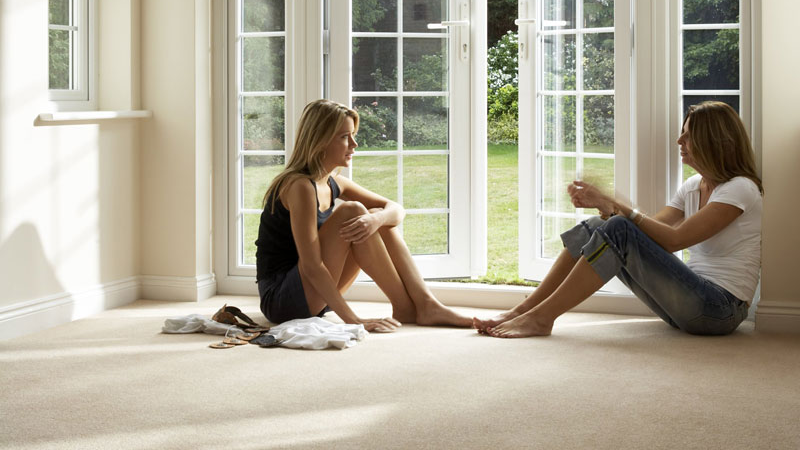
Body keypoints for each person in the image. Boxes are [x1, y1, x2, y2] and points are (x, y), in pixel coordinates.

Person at [475, 101, 762, 338]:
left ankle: (542, 318)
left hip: (719, 309)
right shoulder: (693, 185)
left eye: (688, 135)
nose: (679, 140)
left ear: (713, 141)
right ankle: (523, 311)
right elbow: (650, 232)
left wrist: (615, 206)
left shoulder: (740, 188)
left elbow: (675, 240)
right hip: (688, 304)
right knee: (601, 226)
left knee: (617, 226)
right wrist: (610, 208)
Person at [256, 99, 473, 332]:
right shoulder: (299, 186)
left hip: (315, 294)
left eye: (352, 135)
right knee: (354, 211)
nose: (354, 144)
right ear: (319, 140)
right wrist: (354, 320)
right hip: (282, 300)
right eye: (344, 137)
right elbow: (311, 266)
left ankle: (423, 304)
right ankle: (412, 306)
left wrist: (376, 220)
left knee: (376, 216)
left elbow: (396, 210)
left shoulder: (333, 183)